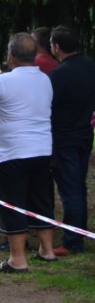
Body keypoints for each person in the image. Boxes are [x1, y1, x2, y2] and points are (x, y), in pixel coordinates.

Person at [0, 32, 57, 273]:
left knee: (11, 204)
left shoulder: (2, 82)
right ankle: (47, 249)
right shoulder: (44, 79)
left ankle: (17, 259)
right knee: (42, 200)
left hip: (10, 152)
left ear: (10, 56)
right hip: (40, 149)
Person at [48, 25, 95, 255]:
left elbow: (48, 106)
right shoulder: (90, 67)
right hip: (84, 135)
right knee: (78, 187)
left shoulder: (58, 75)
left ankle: (73, 241)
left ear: (56, 47)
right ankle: (79, 232)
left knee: (70, 190)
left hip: (64, 138)